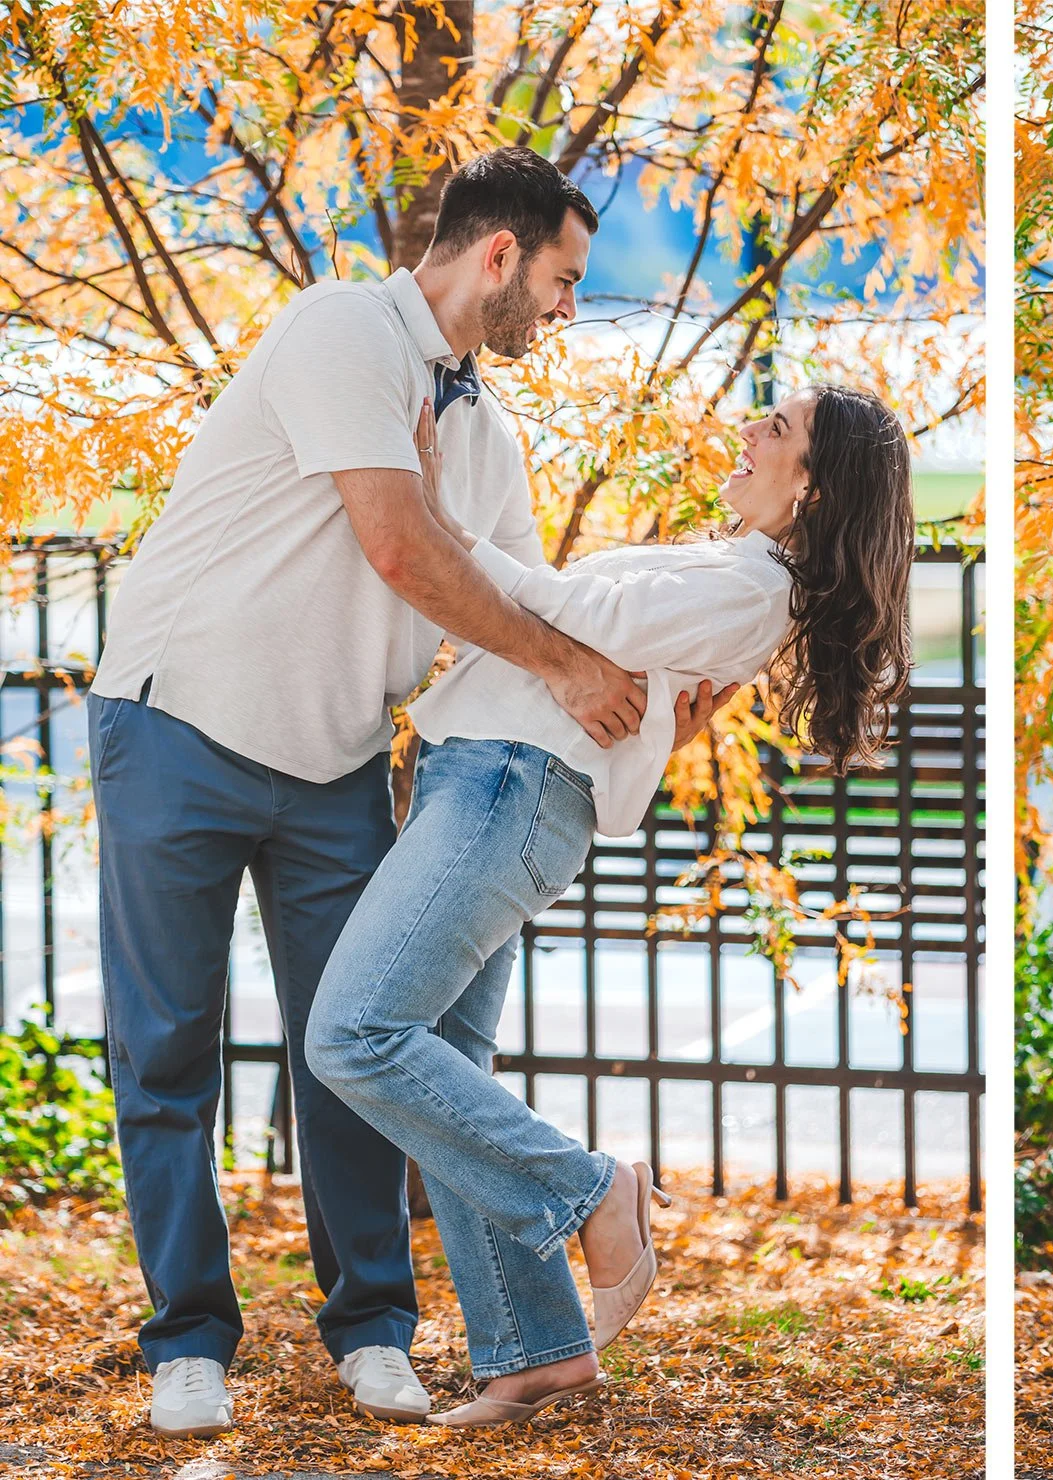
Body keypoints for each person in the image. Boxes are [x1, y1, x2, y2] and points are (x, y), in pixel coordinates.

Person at [86, 145, 726, 1438]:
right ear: (499, 252)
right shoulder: (341, 328)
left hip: (332, 763)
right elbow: (401, 541)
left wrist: (656, 693)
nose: (565, 306)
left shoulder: (489, 430)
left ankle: (371, 1327)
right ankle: (190, 1341)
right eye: (560, 276)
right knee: (167, 1053)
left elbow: (528, 608)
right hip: (179, 726)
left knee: (360, 1050)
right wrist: (566, 661)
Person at [303, 383, 915, 1428]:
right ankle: (534, 1347)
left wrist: (435, 521)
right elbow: (628, 736)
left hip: (506, 785)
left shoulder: (746, 589)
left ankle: (590, 1193)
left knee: (354, 1033)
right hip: (492, 778)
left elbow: (567, 613)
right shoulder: (731, 571)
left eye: (776, 428)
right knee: (444, 1069)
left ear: (811, 486)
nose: (747, 430)